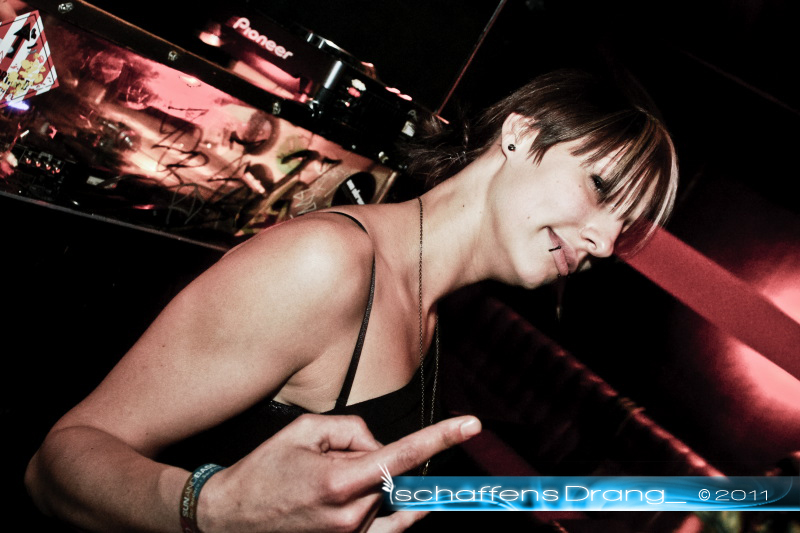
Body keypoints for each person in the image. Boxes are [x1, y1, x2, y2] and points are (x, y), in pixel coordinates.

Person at [25, 69, 678, 532]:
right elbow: (58, 462)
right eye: (599, 188)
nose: (604, 240)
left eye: (626, 228)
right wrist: (211, 505)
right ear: (518, 135)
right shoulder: (328, 265)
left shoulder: (429, 306)